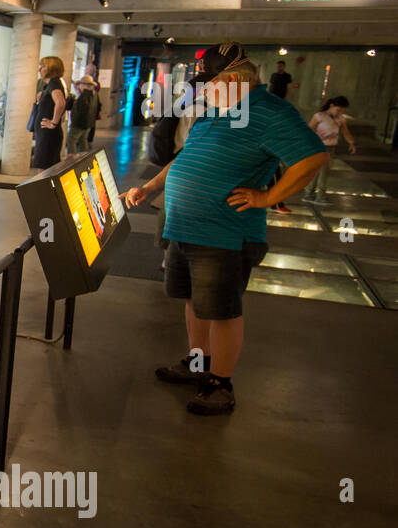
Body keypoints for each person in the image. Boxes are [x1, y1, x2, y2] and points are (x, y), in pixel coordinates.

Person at [121, 41, 327, 416]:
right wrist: (150, 187)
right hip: (186, 226)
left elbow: (313, 156)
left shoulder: (270, 112)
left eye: (208, 82)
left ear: (232, 78)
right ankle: (198, 365)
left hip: (225, 232)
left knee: (221, 310)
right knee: (195, 303)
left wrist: (267, 197)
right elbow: (187, 156)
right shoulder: (216, 110)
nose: (202, 89)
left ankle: (221, 382)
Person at [304, 95, 356, 204]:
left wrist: (351, 142)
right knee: (321, 172)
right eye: (338, 110)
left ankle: (310, 194)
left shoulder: (341, 119)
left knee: (322, 171)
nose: (339, 112)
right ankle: (318, 196)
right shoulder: (319, 116)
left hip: (331, 148)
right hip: (319, 147)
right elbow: (308, 130)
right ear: (331, 105)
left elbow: (345, 132)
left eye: (342, 111)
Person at [30, 56, 66, 170]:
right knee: (44, 168)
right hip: (45, 134)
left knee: (45, 169)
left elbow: (60, 103)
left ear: (51, 68)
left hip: (48, 135)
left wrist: (53, 123)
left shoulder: (54, 84)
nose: (39, 70)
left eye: (43, 66)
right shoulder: (50, 85)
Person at [67, 74, 99, 155]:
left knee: (71, 140)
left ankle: (72, 159)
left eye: (81, 84)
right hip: (89, 123)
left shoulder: (84, 96)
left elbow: (81, 111)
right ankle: (84, 157)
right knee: (83, 140)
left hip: (80, 124)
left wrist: (73, 123)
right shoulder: (94, 94)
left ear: (84, 85)